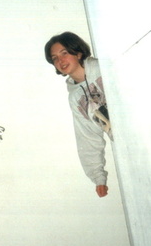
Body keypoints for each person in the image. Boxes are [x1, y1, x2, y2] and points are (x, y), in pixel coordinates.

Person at [44, 31, 112, 198]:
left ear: (78, 52)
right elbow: (87, 138)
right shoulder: (75, 98)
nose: (60, 61)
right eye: (54, 58)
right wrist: (98, 177)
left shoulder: (101, 68)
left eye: (64, 53)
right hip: (129, 147)